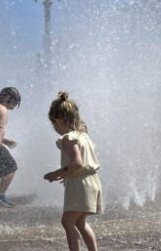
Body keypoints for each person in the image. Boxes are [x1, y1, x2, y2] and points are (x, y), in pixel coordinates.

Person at [43, 91, 102, 251]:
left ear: (58, 120)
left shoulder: (68, 138)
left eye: (53, 124)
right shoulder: (83, 135)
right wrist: (67, 174)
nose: (54, 128)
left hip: (80, 184)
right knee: (80, 222)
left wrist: (56, 173)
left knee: (68, 222)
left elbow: (77, 162)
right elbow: (82, 164)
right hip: (91, 181)